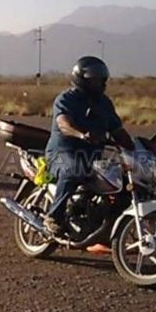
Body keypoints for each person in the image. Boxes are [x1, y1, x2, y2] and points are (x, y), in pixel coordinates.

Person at [43, 56, 134, 235]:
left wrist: (136, 149)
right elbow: (63, 124)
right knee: (73, 170)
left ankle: (102, 224)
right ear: (81, 78)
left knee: (119, 180)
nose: (99, 82)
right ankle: (53, 216)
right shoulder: (66, 99)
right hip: (61, 153)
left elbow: (118, 131)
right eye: (94, 78)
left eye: (101, 78)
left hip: (91, 158)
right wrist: (81, 134)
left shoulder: (104, 103)